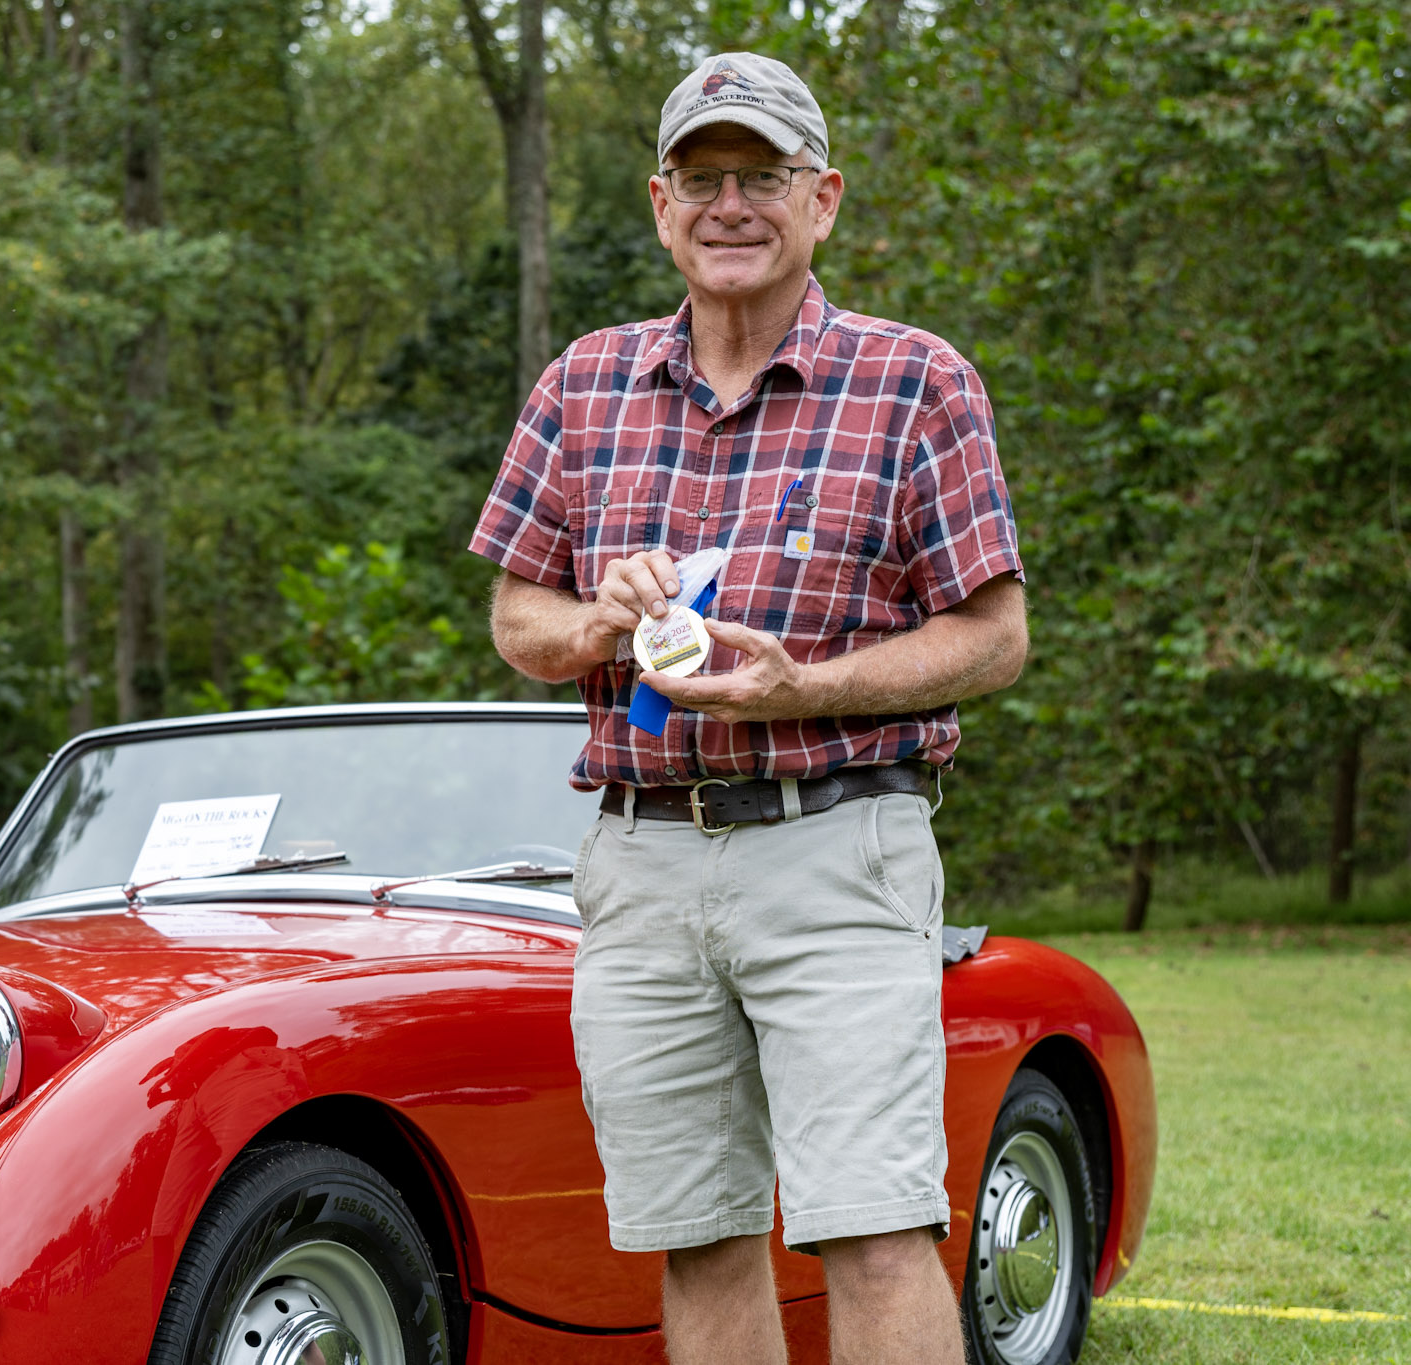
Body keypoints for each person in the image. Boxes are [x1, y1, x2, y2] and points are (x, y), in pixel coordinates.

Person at [470, 52, 1027, 1365]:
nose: (730, 205)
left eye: (762, 177)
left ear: (820, 199)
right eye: (701, 176)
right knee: (700, 1234)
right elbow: (516, 619)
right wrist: (596, 620)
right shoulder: (583, 383)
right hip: (641, 860)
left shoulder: (915, 381)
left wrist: (806, 688)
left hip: (837, 844)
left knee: (874, 1226)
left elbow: (994, 639)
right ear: (660, 204)